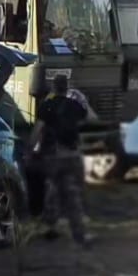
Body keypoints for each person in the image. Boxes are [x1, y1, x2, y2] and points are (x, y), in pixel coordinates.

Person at [31, 73, 91, 247]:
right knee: (73, 193)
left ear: (53, 87)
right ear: (67, 87)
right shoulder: (75, 105)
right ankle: (79, 232)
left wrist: (31, 150)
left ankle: (51, 227)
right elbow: (88, 119)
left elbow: (38, 130)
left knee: (52, 189)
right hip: (72, 154)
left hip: (53, 154)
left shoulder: (47, 106)